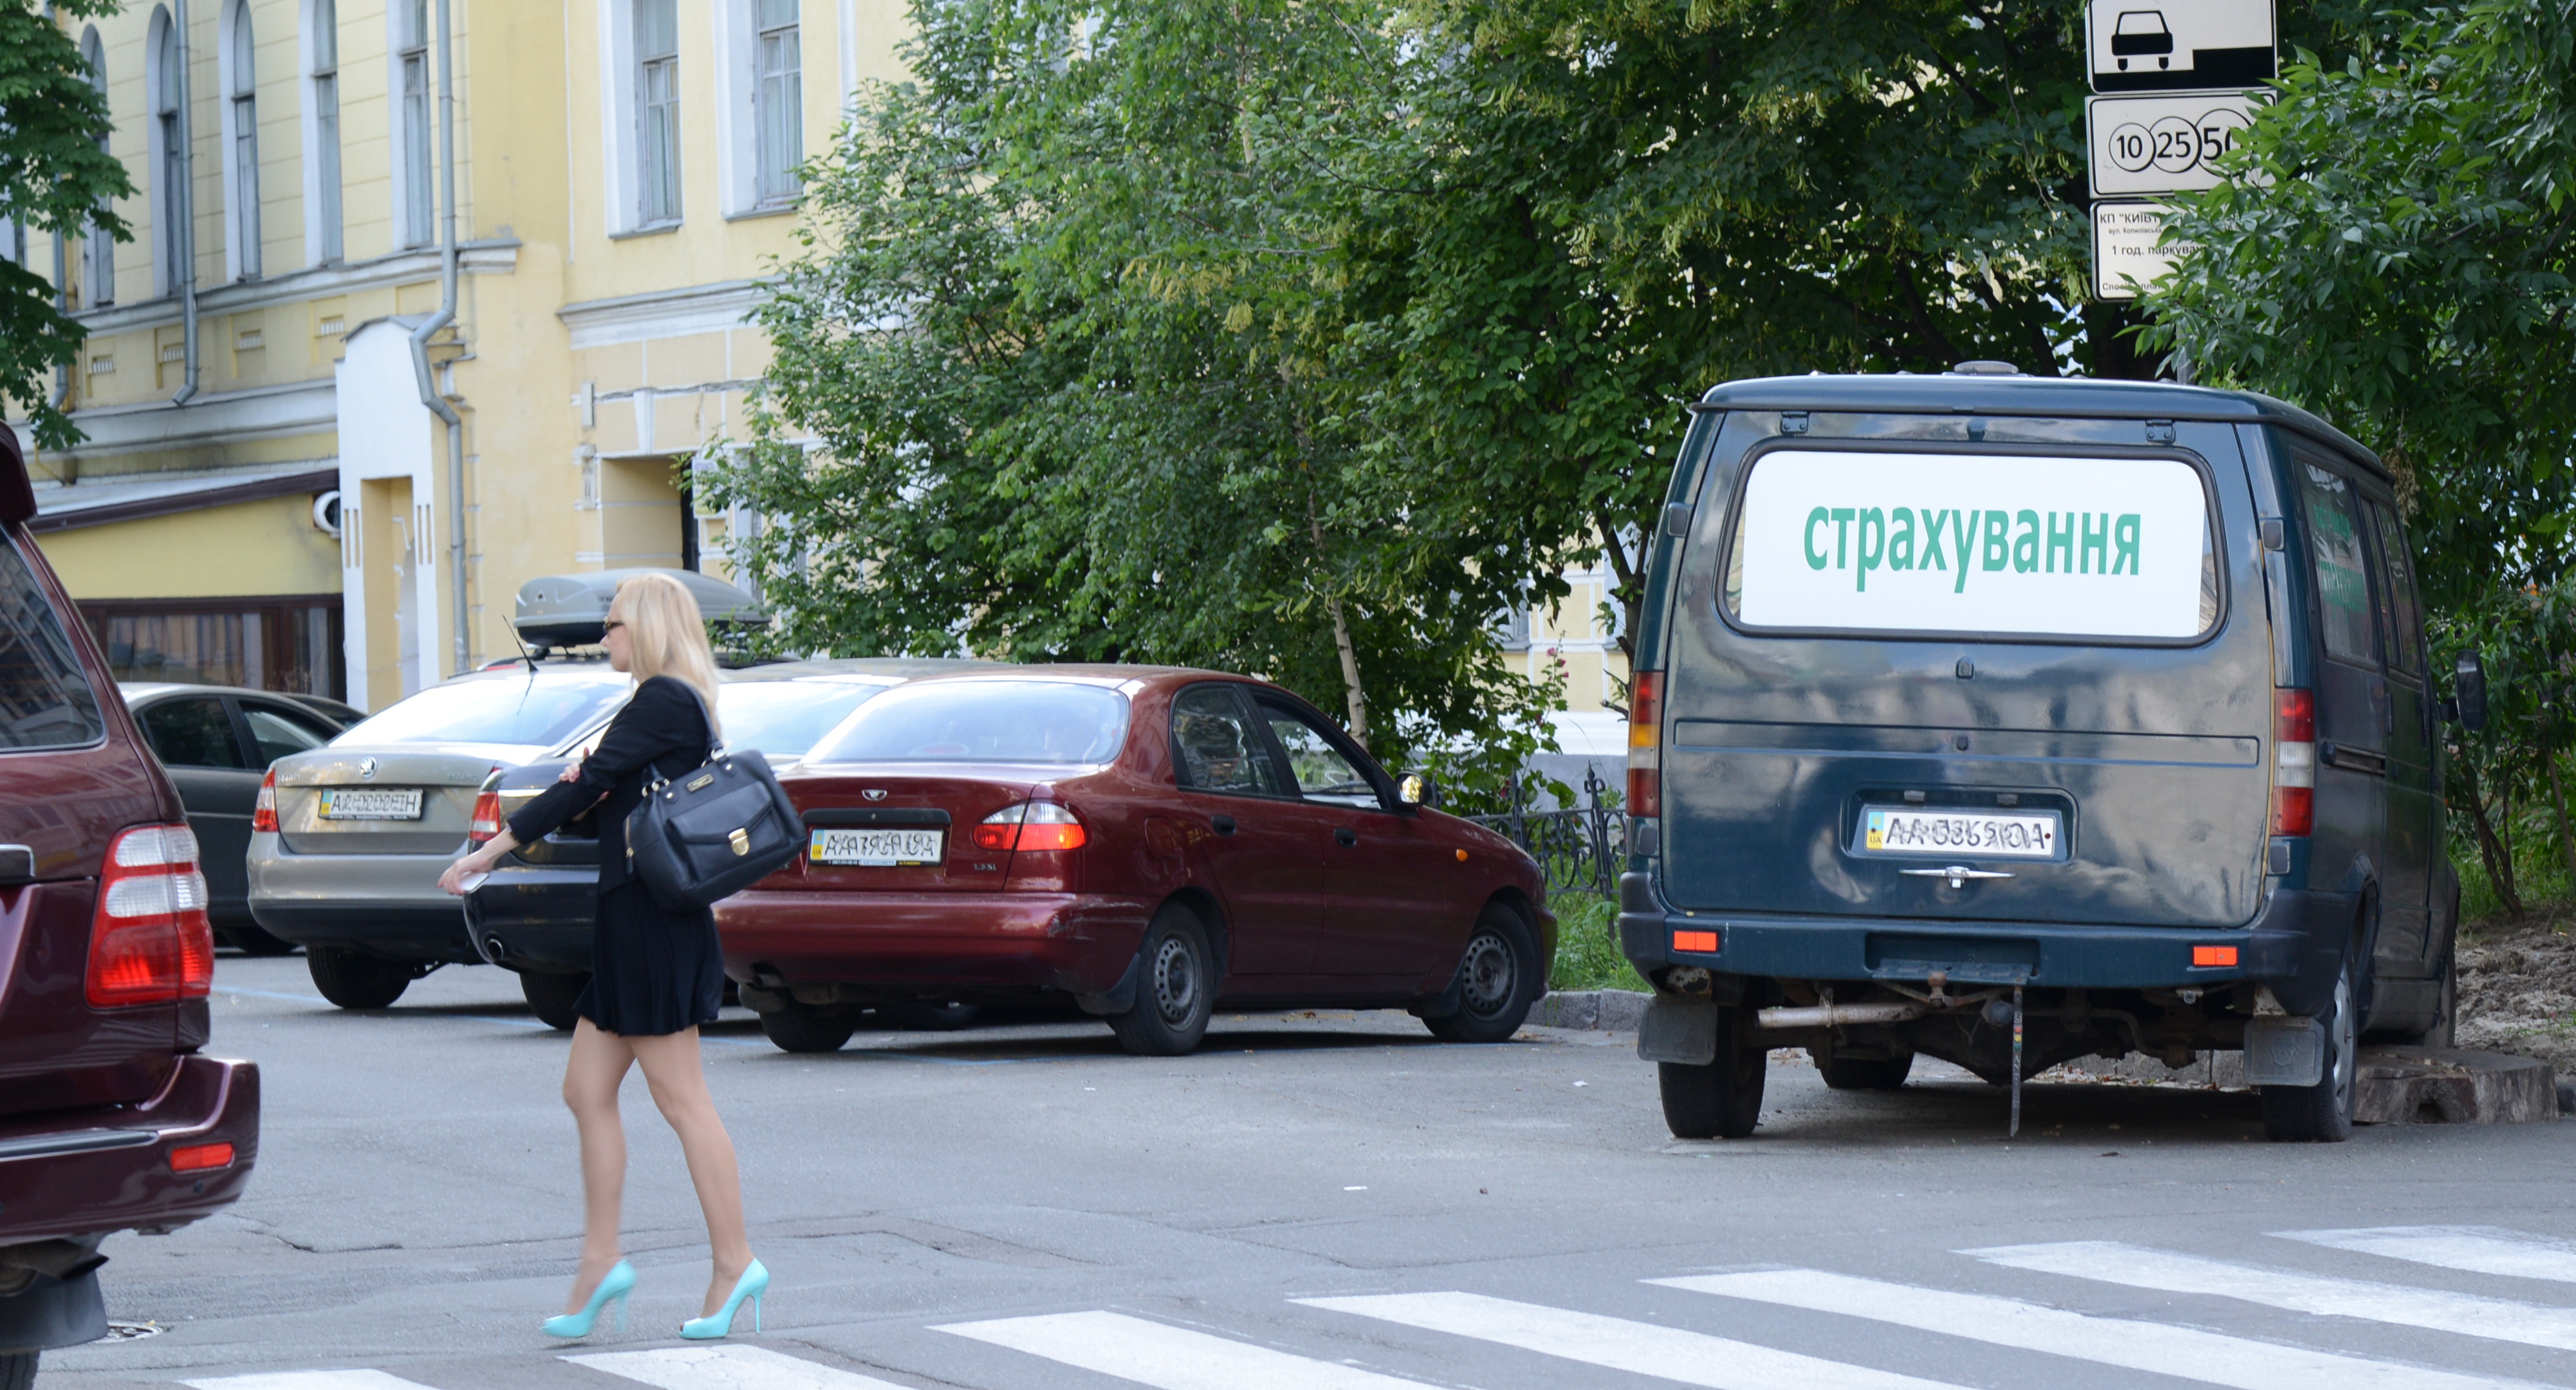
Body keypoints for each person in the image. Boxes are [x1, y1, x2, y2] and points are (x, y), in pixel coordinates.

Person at [438, 573, 766, 1341]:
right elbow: (598, 798)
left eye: (612, 625)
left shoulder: (664, 701)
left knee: (684, 1100)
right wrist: (583, 784)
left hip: (651, 924)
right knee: (586, 1089)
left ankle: (734, 1262)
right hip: (632, 921)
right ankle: (600, 1263)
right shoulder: (663, 703)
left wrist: (487, 853)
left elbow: (582, 791)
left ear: (646, 628)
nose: (604, 638)